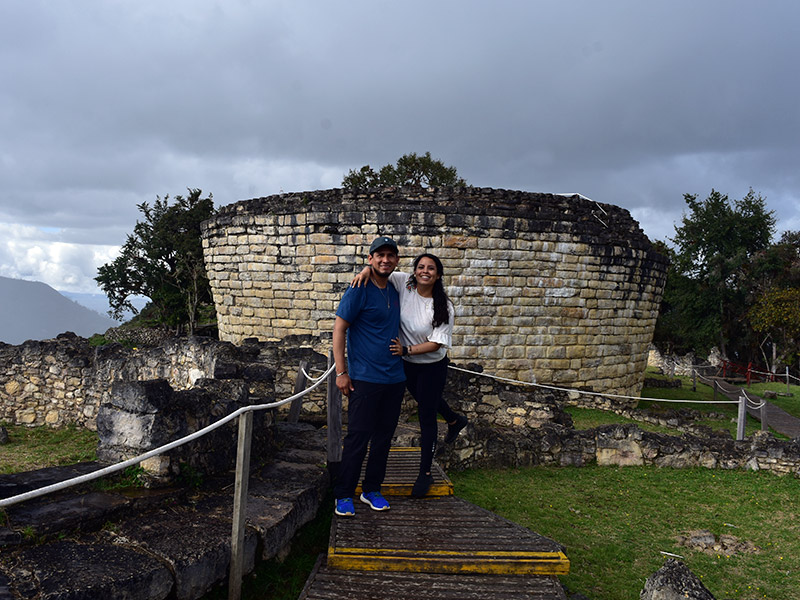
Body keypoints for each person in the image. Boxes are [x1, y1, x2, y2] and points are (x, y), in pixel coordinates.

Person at [353, 252, 468, 498]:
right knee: (429, 400)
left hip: (430, 365)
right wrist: (364, 271)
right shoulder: (404, 282)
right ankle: (455, 420)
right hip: (405, 363)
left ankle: (425, 473)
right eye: (421, 267)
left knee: (426, 415)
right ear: (415, 270)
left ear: (438, 275)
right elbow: (379, 269)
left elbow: (437, 344)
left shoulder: (443, 305)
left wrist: (406, 349)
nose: (425, 271)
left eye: (431, 269)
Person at [332, 237, 406, 517]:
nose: (385, 259)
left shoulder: (396, 288)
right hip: (365, 377)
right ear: (370, 258)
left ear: (396, 260)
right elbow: (339, 330)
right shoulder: (358, 289)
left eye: (390, 255)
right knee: (358, 438)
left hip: (395, 377)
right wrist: (342, 372)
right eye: (380, 255)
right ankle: (343, 493)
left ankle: (371, 489)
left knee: (384, 438)